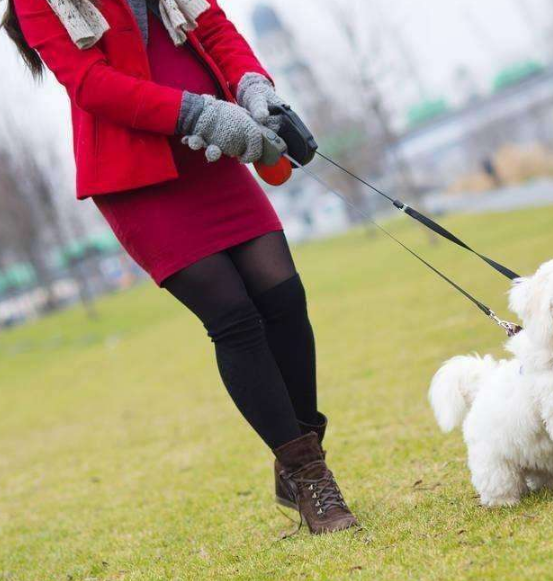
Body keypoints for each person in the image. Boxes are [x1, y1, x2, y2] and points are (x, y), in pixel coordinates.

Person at [2, 0, 357, 534]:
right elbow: (91, 83)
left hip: (211, 150)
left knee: (284, 296)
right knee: (234, 318)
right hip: (137, 169)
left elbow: (212, 26)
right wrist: (199, 113)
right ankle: (310, 476)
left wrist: (252, 87)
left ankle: (299, 454)